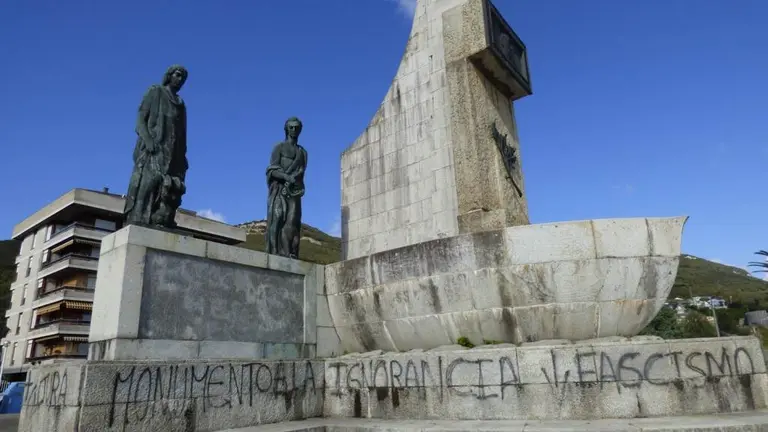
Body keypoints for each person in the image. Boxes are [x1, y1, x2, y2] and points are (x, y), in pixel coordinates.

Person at [124, 65, 189, 228]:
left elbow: (182, 133)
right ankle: (139, 218)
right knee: (147, 185)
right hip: (153, 149)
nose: (180, 80)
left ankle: (162, 219)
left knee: (170, 188)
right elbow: (140, 120)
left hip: (173, 153)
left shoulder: (181, 104)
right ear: (169, 75)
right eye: (178, 75)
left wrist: (183, 155)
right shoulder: (156, 92)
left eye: (183, 78)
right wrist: (148, 140)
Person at [266, 117, 308, 258]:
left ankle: (291, 252)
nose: (294, 130)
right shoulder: (279, 148)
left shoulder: (303, 153)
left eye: (296, 127)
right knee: (277, 218)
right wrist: (286, 177)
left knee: (293, 222)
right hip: (279, 190)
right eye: (291, 127)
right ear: (286, 129)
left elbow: (302, 173)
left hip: (294, 192)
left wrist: (297, 180)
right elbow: (272, 170)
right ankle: (274, 252)